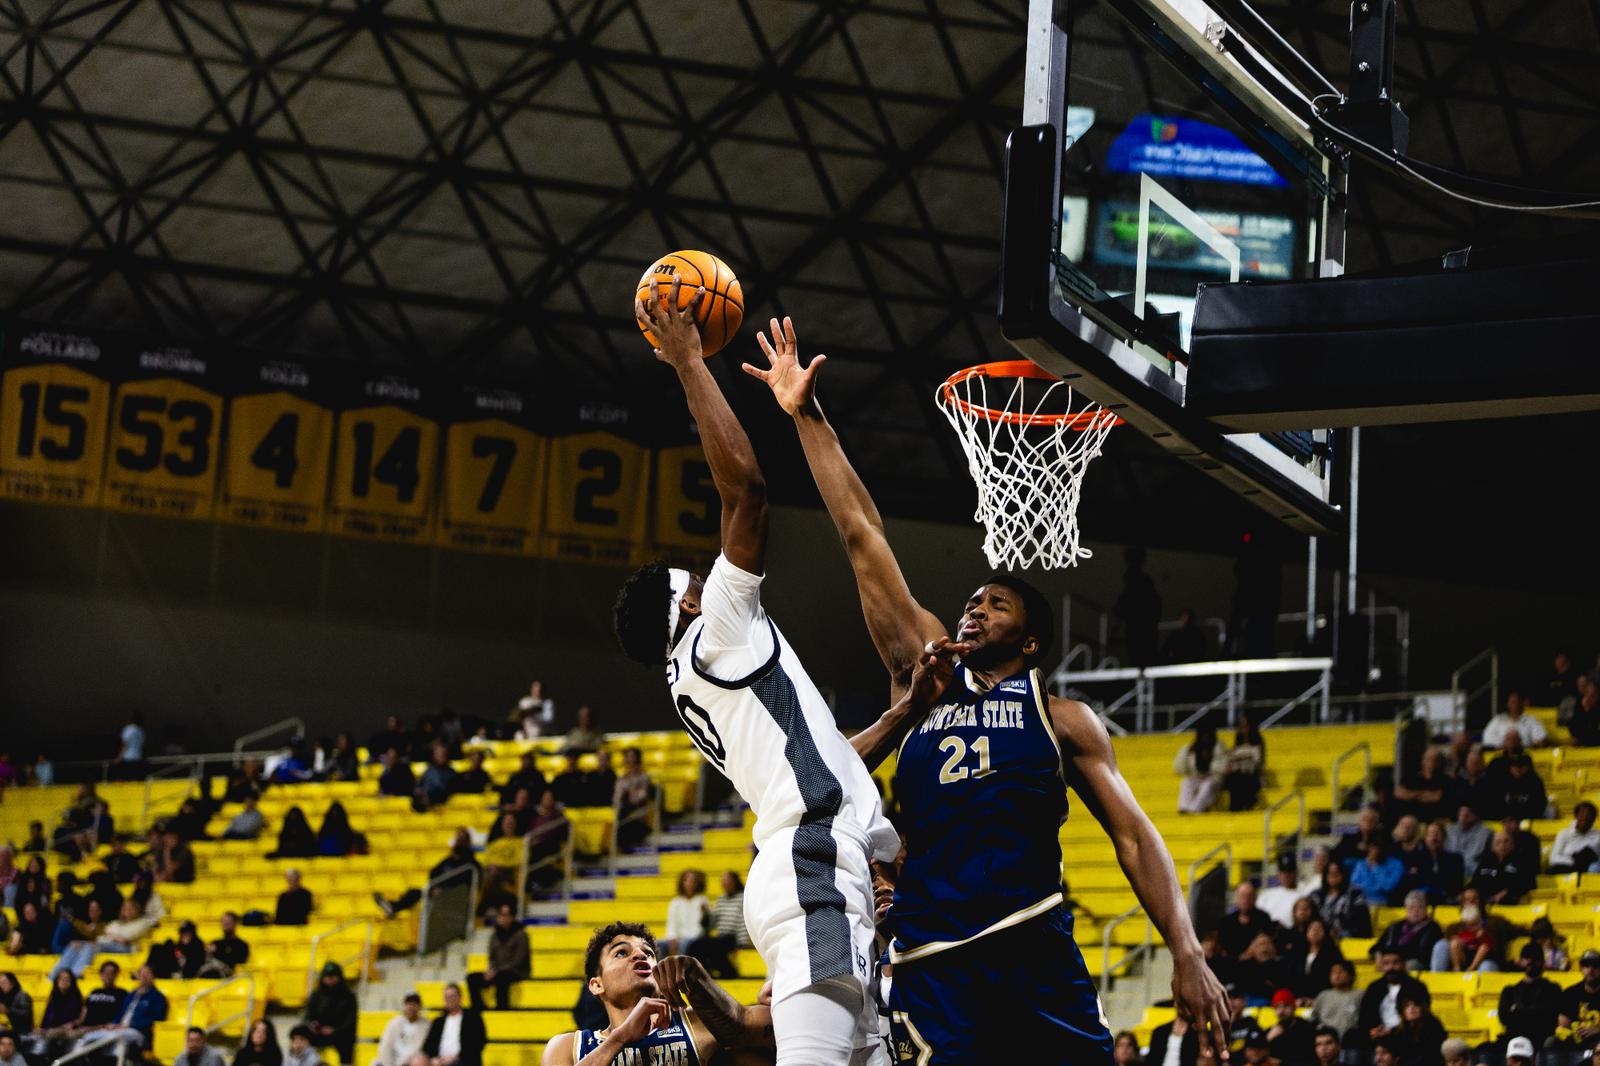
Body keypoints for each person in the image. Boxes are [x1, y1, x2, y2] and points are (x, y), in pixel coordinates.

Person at [744, 313, 1230, 1063]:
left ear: (1030, 640)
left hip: (1034, 941)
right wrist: (805, 413)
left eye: (994, 603)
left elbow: (1134, 835)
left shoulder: (1064, 718)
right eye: (971, 600)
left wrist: (1188, 952)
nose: (974, 608)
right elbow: (861, 535)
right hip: (936, 960)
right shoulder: (924, 674)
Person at [614, 293, 910, 1066]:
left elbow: (824, 755)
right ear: (685, 601)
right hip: (812, 866)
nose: (708, 573)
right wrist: (688, 360)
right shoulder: (716, 628)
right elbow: (745, 488)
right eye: (695, 576)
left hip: (812, 864)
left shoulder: (703, 672)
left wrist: (908, 714)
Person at [540, 923, 773, 1066]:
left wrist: (701, 981)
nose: (640, 955)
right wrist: (621, 1037)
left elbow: (775, 1028)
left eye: (649, 953)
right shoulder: (568, 1046)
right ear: (596, 985)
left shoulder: (696, 1023)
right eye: (621, 953)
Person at [83, 963, 167, 1055]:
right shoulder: (131, 995)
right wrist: (114, 1024)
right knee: (89, 1037)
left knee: (114, 1039)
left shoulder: (158, 997)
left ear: (153, 976)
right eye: (141, 973)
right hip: (120, 1029)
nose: (144, 976)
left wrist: (131, 1025)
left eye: (147, 973)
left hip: (139, 1032)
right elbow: (120, 1014)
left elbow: (156, 1019)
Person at [1358, 948, 1430, 1046]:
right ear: (1382, 966)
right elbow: (1365, 1016)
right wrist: (1373, 1031)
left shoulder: (1417, 987)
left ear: (1403, 964)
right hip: (1379, 1037)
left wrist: (1393, 1031)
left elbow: (1422, 1016)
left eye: (1395, 963)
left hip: (1407, 1036)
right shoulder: (1374, 988)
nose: (1391, 967)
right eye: (1386, 963)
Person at [1499, 942, 1563, 1048]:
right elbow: (1504, 1018)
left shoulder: (1553, 989)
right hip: (1514, 1040)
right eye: (1526, 957)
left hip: (1541, 1039)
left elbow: (1549, 1017)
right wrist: (1534, 1011)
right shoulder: (1509, 991)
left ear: (1542, 962)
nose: (1530, 961)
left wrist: (1517, 1010)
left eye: (1535, 958)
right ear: (1520, 961)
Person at [688, 872, 751, 979]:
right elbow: (712, 924)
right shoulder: (721, 899)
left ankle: (728, 972)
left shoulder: (742, 898)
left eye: (727, 881)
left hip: (733, 938)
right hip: (721, 937)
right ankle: (705, 974)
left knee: (714, 948)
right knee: (695, 945)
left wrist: (742, 943)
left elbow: (743, 921)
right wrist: (706, 914)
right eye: (723, 881)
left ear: (734, 882)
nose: (725, 884)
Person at [468, 904, 530, 1010]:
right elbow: (492, 957)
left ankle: (501, 1007)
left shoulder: (521, 935)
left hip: (516, 971)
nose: (502, 918)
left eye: (505, 915)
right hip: (497, 971)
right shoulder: (495, 935)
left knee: (502, 977)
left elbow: (519, 960)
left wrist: (497, 971)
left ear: (512, 917)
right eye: (500, 915)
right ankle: (479, 1007)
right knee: (472, 978)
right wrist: (491, 970)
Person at [412, 982, 485, 1066]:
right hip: (439, 1061)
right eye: (446, 997)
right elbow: (428, 1046)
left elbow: (478, 1043)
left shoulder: (473, 1018)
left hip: (462, 1060)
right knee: (417, 1061)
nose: (449, 999)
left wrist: (456, 1057)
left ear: (460, 997)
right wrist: (434, 1058)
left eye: (452, 996)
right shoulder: (438, 1021)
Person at [1114, 547, 1161, 667]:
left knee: (1140, 663)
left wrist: (1114, 632)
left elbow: (1122, 607)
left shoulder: (1135, 581)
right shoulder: (1143, 581)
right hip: (1145, 630)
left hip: (1139, 630)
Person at [1372, 893, 1442, 972]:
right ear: (1406, 910)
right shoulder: (1395, 926)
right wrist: (1378, 954)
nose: (1416, 911)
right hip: (1391, 962)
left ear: (1426, 909)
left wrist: (1399, 962)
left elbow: (1426, 955)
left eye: (1420, 907)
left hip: (1414, 963)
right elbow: (1376, 948)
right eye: (1412, 908)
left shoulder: (1433, 927)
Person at [304, 962, 357, 1065]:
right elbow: (308, 1015)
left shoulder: (348, 996)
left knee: (346, 1041)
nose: (329, 980)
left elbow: (351, 1021)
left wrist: (334, 1030)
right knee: (301, 1035)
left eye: (332, 977)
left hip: (340, 1034)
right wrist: (312, 1024)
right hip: (319, 1033)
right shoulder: (316, 995)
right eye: (327, 977)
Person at [1400, 821, 1463, 903]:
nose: (1434, 838)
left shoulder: (1455, 859)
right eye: (1431, 834)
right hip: (1420, 900)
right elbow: (1411, 883)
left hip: (1447, 900)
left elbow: (1455, 885)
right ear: (1425, 838)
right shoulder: (1414, 858)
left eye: (1437, 834)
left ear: (1444, 837)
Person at [1431, 897, 1499, 972]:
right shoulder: (1460, 930)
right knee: (1454, 943)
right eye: (1469, 925)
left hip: (1483, 961)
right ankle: (1456, 968)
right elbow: (1453, 943)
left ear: (1480, 921)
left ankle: (1471, 968)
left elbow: (1488, 947)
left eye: (1475, 924)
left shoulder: (1488, 929)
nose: (1472, 927)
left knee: (1484, 947)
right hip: (1464, 958)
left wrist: (1481, 937)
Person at [1470, 829, 1536, 904]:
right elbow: (1474, 884)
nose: (1502, 845)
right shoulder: (1485, 862)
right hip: (1483, 902)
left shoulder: (1522, 862)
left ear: (1513, 844)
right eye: (1498, 842)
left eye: (1506, 841)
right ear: (1492, 846)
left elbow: (1529, 883)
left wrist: (1507, 892)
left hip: (1510, 902)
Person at [1309, 861, 1371, 940]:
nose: (1333, 875)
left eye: (1337, 872)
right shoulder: (1316, 895)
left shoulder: (1355, 894)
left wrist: (1337, 932)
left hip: (1349, 937)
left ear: (1343, 874)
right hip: (1321, 937)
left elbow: (1361, 921)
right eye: (1330, 873)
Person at [1289, 917, 1344, 1001]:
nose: (1315, 931)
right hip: (1299, 999)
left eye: (1319, 928)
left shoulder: (1333, 953)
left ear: (1325, 932)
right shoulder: (1298, 953)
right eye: (1312, 928)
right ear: (1306, 933)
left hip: (1324, 997)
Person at [1393, 749, 1453, 826]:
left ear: (1440, 763)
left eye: (1435, 759)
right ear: (1423, 761)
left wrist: (1410, 795)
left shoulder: (1447, 781)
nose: (1431, 762)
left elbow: (1438, 797)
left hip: (1434, 824)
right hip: (1411, 822)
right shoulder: (1411, 778)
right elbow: (1398, 793)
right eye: (1428, 759)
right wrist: (1423, 794)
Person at [1220, 880, 1275, 961]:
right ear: (1237, 898)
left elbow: (1267, 944)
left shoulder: (1264, 918)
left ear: (1255, 898)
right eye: (1243, 896)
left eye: (1250, 896)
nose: (1246, 899)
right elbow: (1223, 949)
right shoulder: (1226, 922)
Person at [1175, 725, 1225, 814]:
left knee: (1207, 785)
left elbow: (1222, 768)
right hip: (1197, 776)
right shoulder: (1190, 748)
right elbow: (1179, 769)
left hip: (1214, 778)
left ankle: (1195, 809)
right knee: (1186, 782)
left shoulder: (1219, 746)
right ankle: (1184, 807)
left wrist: (1210, 761)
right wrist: (1187, 752)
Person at [1556, 949, 1600, 1050]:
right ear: (1581, 969)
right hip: (1577, 1040)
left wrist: (1597, 1030)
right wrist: (1572, 1033)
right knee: (1552, 1042)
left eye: (1595, 966)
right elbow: (1562, 1026)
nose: (1590, 969)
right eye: (1586, 965)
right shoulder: (1570, 993)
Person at [1389, 991, 1446, 1066]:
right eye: (1407, 1006)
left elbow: (1431, 1056)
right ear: (1403, 1011)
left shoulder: (1433, 1027)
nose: (1412, 1008)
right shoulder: (1398, 1030)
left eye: (1416, 1005)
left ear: (1423, 1008)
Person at [613, 747, 655, 851]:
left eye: (632, 758)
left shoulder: (643, 777)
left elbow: (640, 797)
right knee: (621, 816)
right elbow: (617, 800)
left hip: (640, 813)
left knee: (627, 820)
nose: (630, 761)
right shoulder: (622, 779)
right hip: (624, 813)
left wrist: (631, 792)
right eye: (628, 758)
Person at [1223, 715, 1266, 812]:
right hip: (1236, 777)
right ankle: (1238, 807)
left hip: (1253, 778)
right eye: (1240, 727)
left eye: (1245, 727)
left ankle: (1240, 807)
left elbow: (1257, 763)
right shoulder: (1235, 748)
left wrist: (1239, 759)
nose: (1243, 730)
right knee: (1235, 778)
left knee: (1240, 779)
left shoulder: (1257, 747)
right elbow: (1229, 763)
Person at [1309, 960, 1362, 1039]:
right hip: (1327, 1042)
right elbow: (1314, 1019)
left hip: (1352, 1042)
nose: (1336, 975)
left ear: (1351, 975)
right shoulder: (1323, 995)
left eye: (1340, 972)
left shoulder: (1359, 995)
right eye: (1333, 972)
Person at [663, 870, 710, 957]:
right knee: (658, 945)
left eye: (693, 881)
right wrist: (672, 938)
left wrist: (705, 914)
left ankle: (681, 970)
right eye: (687, 880)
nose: (690, 883)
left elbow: (703, 927)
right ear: (682, 883)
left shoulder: (702, 900)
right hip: (678, 938)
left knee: (684, 944)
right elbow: (671, 924)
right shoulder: (675, 902)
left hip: (694, 938)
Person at [1267, 987, 1317, 1066]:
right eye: (1277, 1007)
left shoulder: (1306, 1029)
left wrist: (1280, 1063)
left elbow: (1309, 1061)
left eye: (1286, 1006)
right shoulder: (1271, 1031)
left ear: (1294, 1007)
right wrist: (1268, 1039)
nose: (1281, 1011)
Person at [1259, 855, 1313, 928]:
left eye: (1289, 872)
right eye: (1283, 872)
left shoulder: (1305, 894)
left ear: (1295, 873)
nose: (1286, 875)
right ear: (1278, 873)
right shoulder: (1266, 894)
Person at [1483, 691, 1550, 749]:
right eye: (1513, 702)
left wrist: (1525, 746)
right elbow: (1487, 739)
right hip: (1501, 754)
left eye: (1518, 701)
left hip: (1524, 754)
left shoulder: (1531, 720)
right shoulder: (1498, 720)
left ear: (1522, 703)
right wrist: (1507, 744)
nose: (1516, 704)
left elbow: (1542, 739)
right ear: (1507, 704)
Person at [1549, 801, 1600, 873]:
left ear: (1593, 820)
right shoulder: (1564, 833)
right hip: (1566, 869)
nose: (1584, 819)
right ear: (1576, 816)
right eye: (1582, 816)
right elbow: (1553, 859)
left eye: (1588, 817)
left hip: (1588, 870)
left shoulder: (1598, 836)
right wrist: (1574, 861)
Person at [377, 995, 428, 1066]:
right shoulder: (394, 1023)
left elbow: (418, 1050)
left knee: (419, 1060)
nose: (411, 1007)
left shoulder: (426, 1026)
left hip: (409, 1062)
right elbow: (385, 1046)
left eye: (414, 1004)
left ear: (420, 1007)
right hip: (391, 1062)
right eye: (408, 1004)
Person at [1446, 805, 1493, 875]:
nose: (1464, 816)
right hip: (1449, 871)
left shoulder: (1487, 833)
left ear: (1476, 815)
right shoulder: (1449, 830)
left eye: (1469, 812)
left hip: (1474, 873)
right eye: (1461, 813)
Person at [0, 971, 33, 1036]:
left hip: (22, 1033)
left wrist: (8, 1011)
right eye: (0, 984)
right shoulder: (3, 997)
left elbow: (25, 1015)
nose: (1, 986)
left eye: (4, 983)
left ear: (12, 983)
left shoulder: (23, 996)